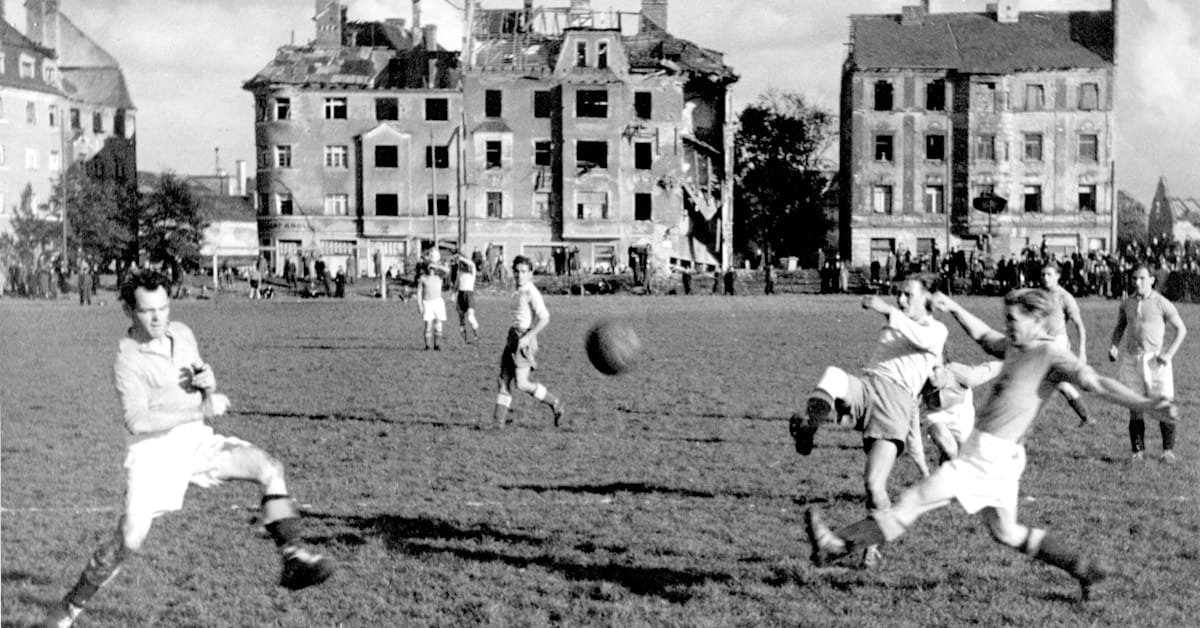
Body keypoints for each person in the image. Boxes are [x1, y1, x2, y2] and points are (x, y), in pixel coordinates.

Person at [804, 289, 1174, 601]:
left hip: (988, 456)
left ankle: (835, 545)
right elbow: (984, 335)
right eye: (1008, 318)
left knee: (913, 501)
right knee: (1007, 532)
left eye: (1015, 319)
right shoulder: (1017, 346)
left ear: (1039, 321)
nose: (1008, 325)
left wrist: (1143, 404)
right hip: (1000, 457)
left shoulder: (1051, 355)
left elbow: (1096, 383)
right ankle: (1082, 567)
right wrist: (955, 308)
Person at [43, 271, 333, 628]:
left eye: (164, 308)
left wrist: (207, 385)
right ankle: (69, 608)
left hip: (194, 440)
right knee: (129, 541)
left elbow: (199, 386)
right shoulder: (128, 358)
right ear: (128, 311)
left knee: (269, 468)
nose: (158, 318)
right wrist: (201, 408)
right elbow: (137, 422)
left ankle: (293, 556)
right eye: (148, 311)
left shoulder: (182, 333)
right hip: (152, 453)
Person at [791, 275, 947, 567]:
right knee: (834, 375)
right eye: (898, 294)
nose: (900, 299)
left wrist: (887, 309)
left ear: (927, 299)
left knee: (874, 485)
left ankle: (870, 546)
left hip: (895, 405)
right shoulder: (898, 322)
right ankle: (809, 429)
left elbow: (923, 341)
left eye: (907, 295)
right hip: (869, 386)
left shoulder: (937, 330)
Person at [1109, 263, 1187, 463]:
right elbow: (1120, 326)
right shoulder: (1127, 303)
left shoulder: (1162, 302)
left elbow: (1181, 330)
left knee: (1163, 405)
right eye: (1134, 278)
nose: (1137, 282)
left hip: (1156, 361)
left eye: (1142, 278)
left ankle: (1167, 451)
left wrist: (1168, 354)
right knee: (1135, 406)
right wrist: (1114, 346)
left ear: (1152, 279)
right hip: (1132, 359)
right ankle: (1138, 452)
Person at [493, 256, 565, 428]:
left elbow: (545, 318)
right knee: (503, 379)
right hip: (513, 336)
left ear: (530, 273)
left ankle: (555, 403)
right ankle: (498, 423)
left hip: (523, 338)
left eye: (523, 272)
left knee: (522, 383)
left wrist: (527, 337)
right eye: (516, 271)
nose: (519, 275)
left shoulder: (531, 292)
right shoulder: (518, 289)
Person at [920, 359, 1003, 464]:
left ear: (943, 367)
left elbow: (988, 370)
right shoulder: (920, 378)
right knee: (950, 450)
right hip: (934, 413)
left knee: (963, 456)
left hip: (960, 410)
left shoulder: (963, 375)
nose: (931, 376)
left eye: (935, 369)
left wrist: (1010, 362)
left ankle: (945, 474)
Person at [1040, 262, 1092, 424]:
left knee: (1043, 379)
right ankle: (1086, 416)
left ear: (1058, 276)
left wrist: (1082, 351)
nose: (1045, 278)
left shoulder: (1065, 297)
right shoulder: (1041, 295)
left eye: (1049, 274)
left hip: (1058, 343)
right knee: (1058, 382)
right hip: (1042, 342)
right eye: (1043, 274)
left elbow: (1080, 326)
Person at [416, 259, 447, 350]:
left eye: (433, 268)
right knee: (428, 325)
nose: (431, 270)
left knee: (438, 324)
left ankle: (437, 345)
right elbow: (419, 292)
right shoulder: (423, 278)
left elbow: (447, 271)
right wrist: (419, 305)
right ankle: (427, 346)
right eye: (430, 268)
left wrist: (437, 266)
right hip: (427, 303)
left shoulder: (439, 277)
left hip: (438, 303)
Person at [454, 253, 480, 344]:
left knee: (470, 317)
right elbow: (456, 285)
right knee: (461, 319)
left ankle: (476, 335)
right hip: (460, 295)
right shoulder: (460, 274)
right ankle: (464, 339)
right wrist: (453, 294)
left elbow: (472, 264)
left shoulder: (472, 273)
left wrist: (462, 258)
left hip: (468, 295)